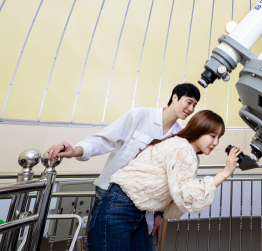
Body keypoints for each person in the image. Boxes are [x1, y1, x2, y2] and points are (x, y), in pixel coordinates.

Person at [46, 83, 201, 249]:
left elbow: (166, 178)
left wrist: (158, 215)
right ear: (175, 97)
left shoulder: (179, 136)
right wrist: (76, 150)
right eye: (189, 102)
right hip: (112, 196)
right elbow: (104, 139)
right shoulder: (140, 115)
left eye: (194, 105)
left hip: (144, 209)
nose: (191, 109)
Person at [87, 110, 240, 251]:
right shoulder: (182, 148)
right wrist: (225, 173)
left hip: (133, 210)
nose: (216, 143)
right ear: (199, 130)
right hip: (119, 207)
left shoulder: (182, 147)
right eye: (213, 136)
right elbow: (188, 197)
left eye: (219, 138)